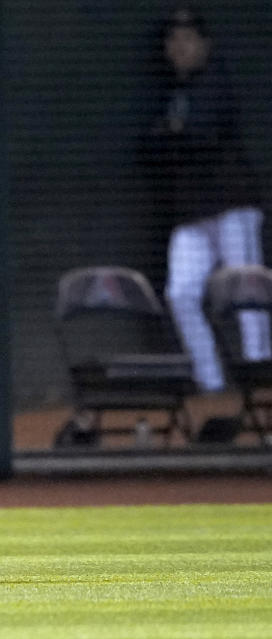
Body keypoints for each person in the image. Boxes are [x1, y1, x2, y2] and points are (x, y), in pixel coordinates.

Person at [143, 5, 269, 392]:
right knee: (180, 292)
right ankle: (210, 383)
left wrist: (175, 134)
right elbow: (153, 147)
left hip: (232, 207)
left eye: (188, 39)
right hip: (191, 213)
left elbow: (202, 133)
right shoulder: (171, 94)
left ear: (204, 44)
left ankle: (260, 377)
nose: (180, 47)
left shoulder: (218, 82)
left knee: (246, 292)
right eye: (174, 41)